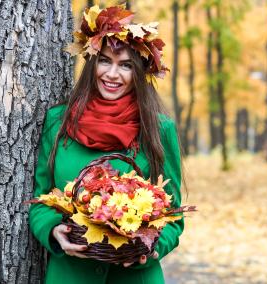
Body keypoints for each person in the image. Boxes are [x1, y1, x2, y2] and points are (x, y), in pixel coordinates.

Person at [29, 5, 183, 284]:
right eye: (104, 61)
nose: (113, 74)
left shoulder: (159, 129)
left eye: (125, 65)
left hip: (136, 278)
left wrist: (149, 249)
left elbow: (174, 217)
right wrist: (53, 230)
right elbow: (40, 199)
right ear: (92, 63)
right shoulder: (57, 122)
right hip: (71, 276)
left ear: (139, 73)